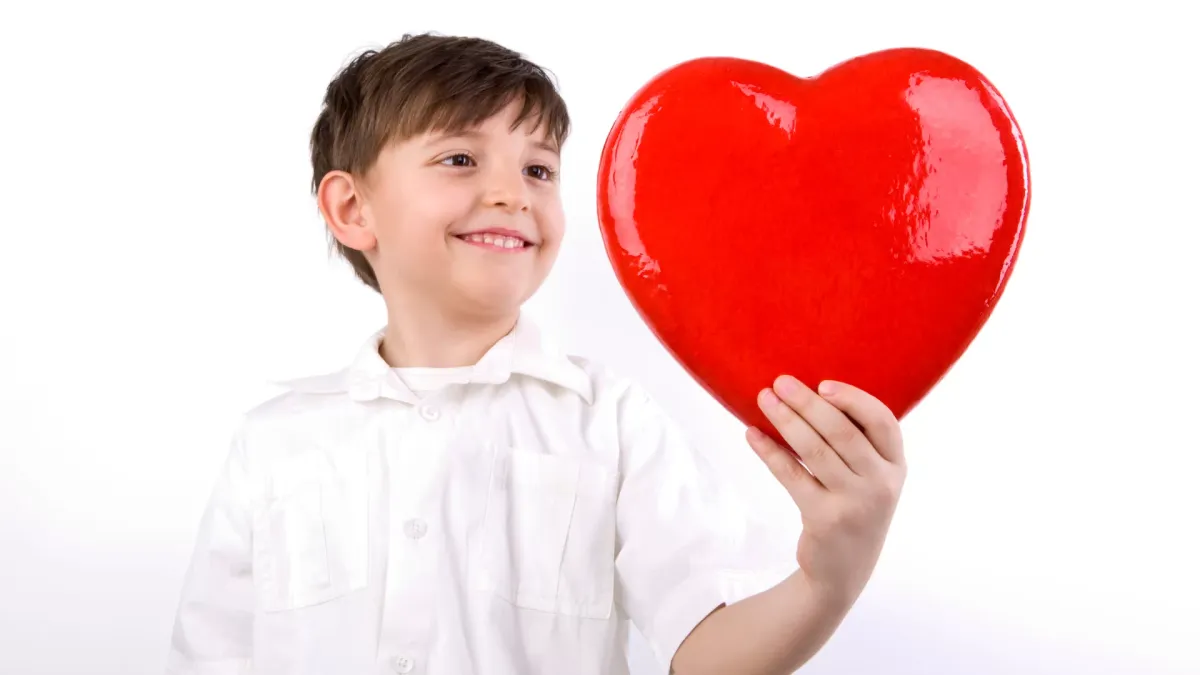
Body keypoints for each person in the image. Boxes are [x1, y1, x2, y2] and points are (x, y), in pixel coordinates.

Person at [165, 32, 907, 675]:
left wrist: (828, 575)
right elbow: (215, 654)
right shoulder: (274, 442)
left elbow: (707, 650)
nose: (513, 195)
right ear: (352, 209)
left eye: (538, 169)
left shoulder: (609, 420)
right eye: (460, 158)